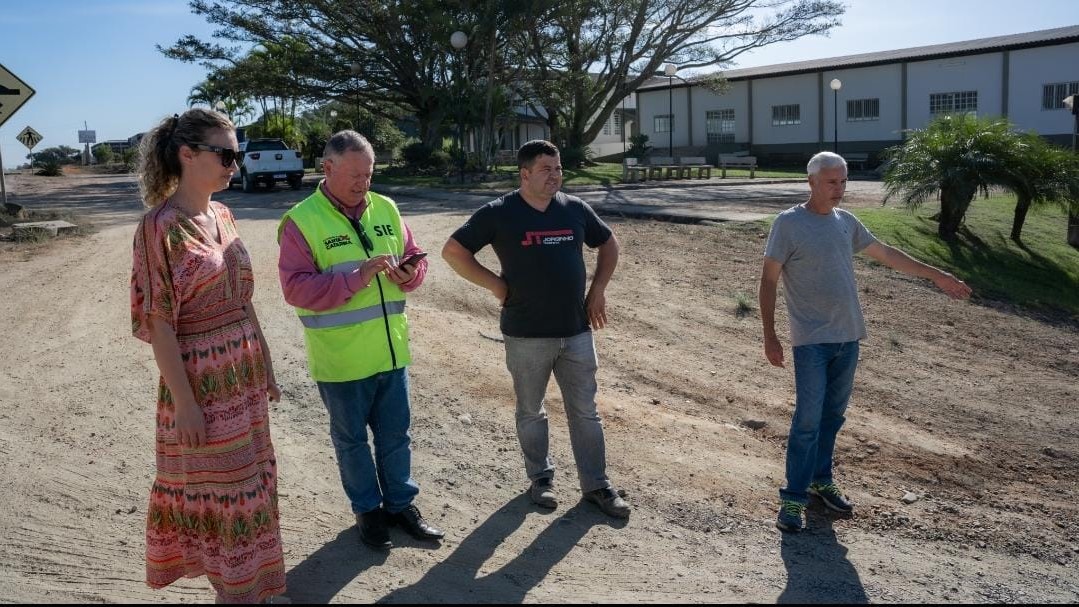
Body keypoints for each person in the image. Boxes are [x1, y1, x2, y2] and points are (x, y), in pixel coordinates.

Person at [759, 151, 972, 533]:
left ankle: (821, 482)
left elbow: (887, 254)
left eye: (843, 181)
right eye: (831, 182)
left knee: (832, 418)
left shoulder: (846, 222)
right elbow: (769, 280)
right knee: (807, 421)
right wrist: (770, 335)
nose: (839, 189)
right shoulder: (789, 224)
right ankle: (792, 499)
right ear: (811, 182)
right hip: (811, 341)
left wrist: (936, 274)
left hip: (849, 338)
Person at [130, 109, 287, 603]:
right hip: (201, 381)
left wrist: (264, 361)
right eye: (225, 155)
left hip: (241, 375)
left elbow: (243, 298)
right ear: (187, 154)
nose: (234, 166)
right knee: (225, 495)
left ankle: (257, 586)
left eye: (236, 155)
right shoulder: (159, 226)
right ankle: (234, 592)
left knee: (253, 485)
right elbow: (158, 323)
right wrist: (186, 404)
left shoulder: (222, 213)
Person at [442, 139, 631, 519]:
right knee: (531, 411)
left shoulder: (574, 209)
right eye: (546, 169)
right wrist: (496, 285)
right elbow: (454, 251)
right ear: (525, 174)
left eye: (558, 168)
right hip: (526, 335)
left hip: (576, 331)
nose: (555, 176)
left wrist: (598, 290)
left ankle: (596, 485)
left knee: (586, 412)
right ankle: (540, 479)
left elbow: (608, 244)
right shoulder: (499, 213)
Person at [277, 130, 443, 550]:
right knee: (352, 443)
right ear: (327, 167)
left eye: (368, 174)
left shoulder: (386, 206)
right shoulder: (301, 221)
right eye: (354, 175)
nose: (363, 183)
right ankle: (367, 512)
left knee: (396, 437)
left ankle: (401, 506)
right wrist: (359, 276)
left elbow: (415, 259)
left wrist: (411, 275)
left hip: (391, 354)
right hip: (342, 362)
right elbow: (297, 290)